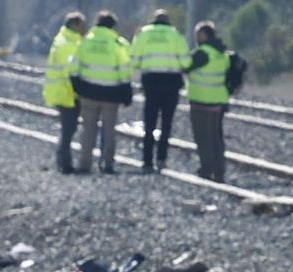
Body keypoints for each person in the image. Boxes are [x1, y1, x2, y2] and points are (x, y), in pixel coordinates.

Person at [68, 10, 132, 174]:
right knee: (109, 131)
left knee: (88, 130)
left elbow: (74, 68)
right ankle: (107, 164)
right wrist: (126, 93)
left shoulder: (85, 42)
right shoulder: (118, 43)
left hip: (89, 93)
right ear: (113, 26)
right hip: (111, 94)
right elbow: (125, 70)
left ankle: (84, 164)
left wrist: (78, 88)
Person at [129, 9, 190, 173]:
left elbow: (134, 59)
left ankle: (147, 161)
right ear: (168, 21)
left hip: (151, 82)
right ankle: (161, 159)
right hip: (171, 82)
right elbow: (185, 62)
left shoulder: (144, 34)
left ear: (153, 20)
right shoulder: (175, 35)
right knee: (166, 123)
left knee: (149, 122)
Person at [186, 20, 231, 182]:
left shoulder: (202, 53)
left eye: (198, 34)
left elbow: (186, 65)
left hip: (201, 100)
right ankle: (220, 170)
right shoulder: (222, 53)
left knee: (203, 137)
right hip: (218, 101)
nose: (196, 38)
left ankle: (206, 169)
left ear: (204, 35)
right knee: (216, 137)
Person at [42, 11, 85, 174]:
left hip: (61, 91)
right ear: (75, 25)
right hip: (66, 93)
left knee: (68, 128)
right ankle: (65, 163)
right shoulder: (69, 43)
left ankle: (63, 161)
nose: (83, 28)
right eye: (81, 25)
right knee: (68, 129)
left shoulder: (63, 39)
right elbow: (72, 71)